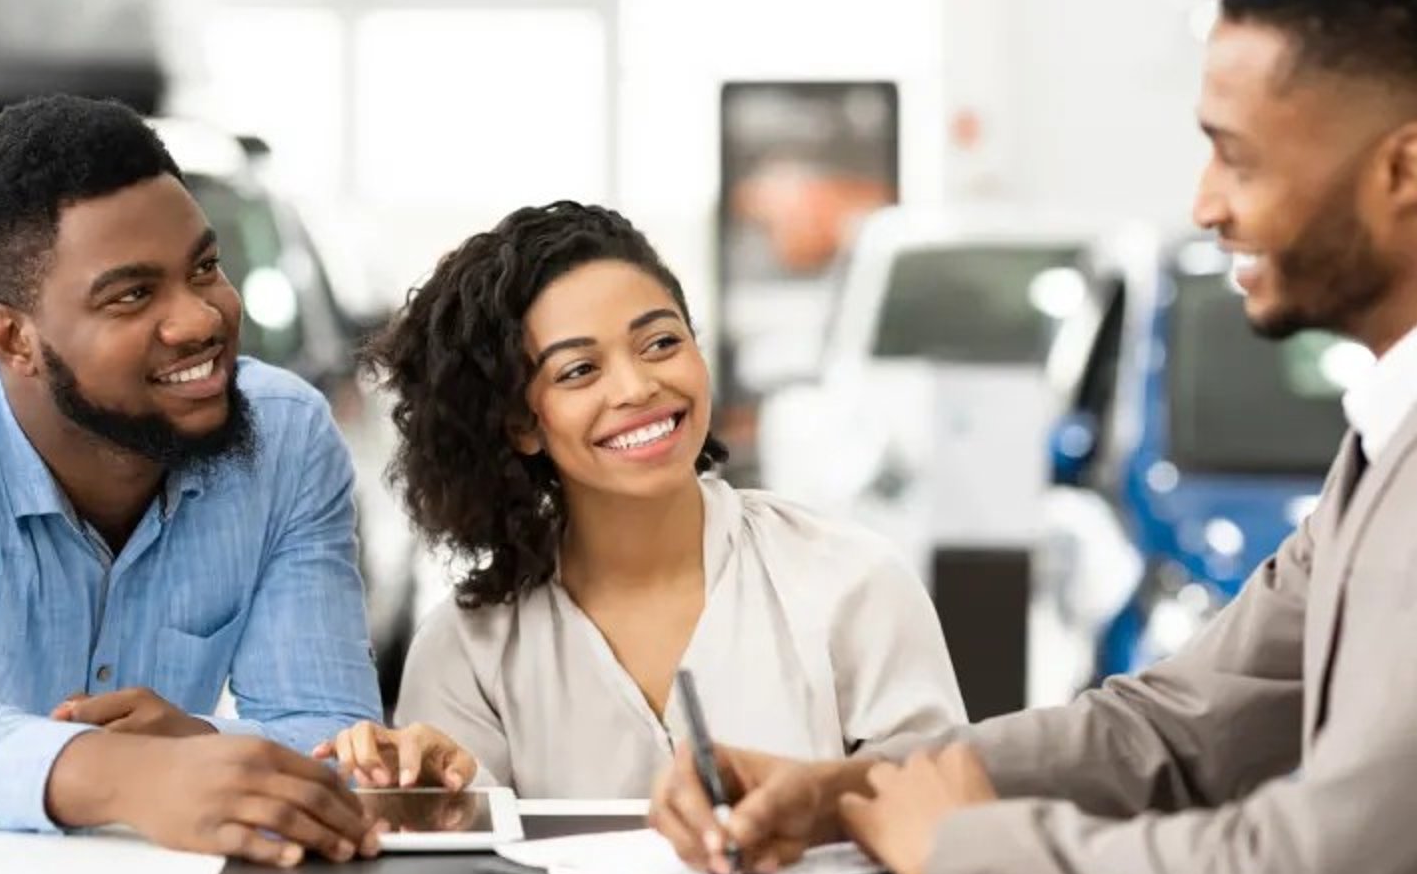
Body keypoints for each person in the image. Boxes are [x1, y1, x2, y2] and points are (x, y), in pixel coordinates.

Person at [651, 0, 1417, 874]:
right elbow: (1179, 728)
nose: (1205, 203)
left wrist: (964, 850)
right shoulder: (1414, 419)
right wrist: (849, 787)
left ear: (1405, 168)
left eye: (1238, 155)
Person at [315, 201, 964, 795]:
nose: (636, 387)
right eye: (578, 371)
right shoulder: (468, 651)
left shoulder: (853, 585)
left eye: (661, 343)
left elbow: (939, 810)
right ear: (520, 424)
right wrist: (425, 793)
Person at [0, 95, 383, 865]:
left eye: (204, 266)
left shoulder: (285, 437)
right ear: (13, 337)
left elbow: (330, 745)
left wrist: (193, 748)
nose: (200, 318)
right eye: (132, 294)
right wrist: (118, 775)